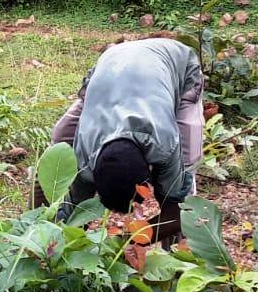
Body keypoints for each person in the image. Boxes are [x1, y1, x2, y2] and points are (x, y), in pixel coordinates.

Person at [42, 36, 204, 242]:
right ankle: (37, 222)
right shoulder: (84, 157)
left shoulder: (164, 145)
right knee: (59, 139)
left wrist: (127, 242)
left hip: (176, 64)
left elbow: (176, 211)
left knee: (184, 172)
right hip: (113, 65)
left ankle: (175, 258)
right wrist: (53, 240)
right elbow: (75, 210)